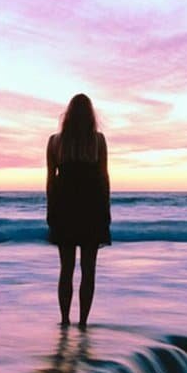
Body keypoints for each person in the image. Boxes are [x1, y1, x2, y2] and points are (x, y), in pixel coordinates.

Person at [46, 93, 111, 329]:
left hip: (64, 208)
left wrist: (50, 211)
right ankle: (83, 322)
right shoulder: (98, 141)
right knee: (88, 269)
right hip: (91, 208)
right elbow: (104, 179)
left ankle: (65, 320)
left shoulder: (55, 141)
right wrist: (106, 212)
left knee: (66, 268)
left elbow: (50, 182)